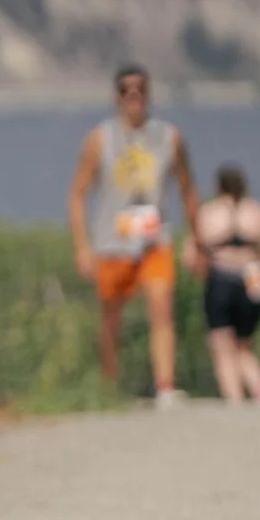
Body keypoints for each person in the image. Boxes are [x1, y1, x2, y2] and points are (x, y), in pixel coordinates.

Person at [67, 62, 201, 405]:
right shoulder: (100, 140)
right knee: (111, 317)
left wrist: (196, 239)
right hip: (112, 242)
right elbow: (77, 193)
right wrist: (82, 246)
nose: (134, 96)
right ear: (116, 96)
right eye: (126, 90)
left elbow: (187, 188)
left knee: (161, 307)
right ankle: (108, 387)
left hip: (154, 239)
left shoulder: (168, 138)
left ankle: (165, 385)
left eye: (140, 89)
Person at [185, 163, 260, 402]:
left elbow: (190, 256)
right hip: (253, 276)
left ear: (218, 186)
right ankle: (259, 389)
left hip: (221, 276)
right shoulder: (257, 211)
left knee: (221, 344)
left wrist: (201, 269)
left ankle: (234, 398)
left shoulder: (209, 213)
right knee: (244, 344)